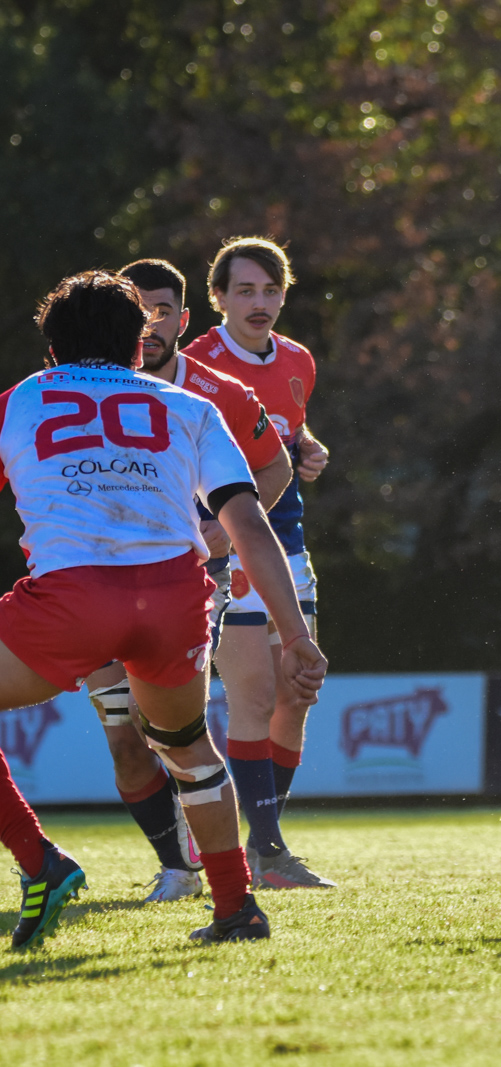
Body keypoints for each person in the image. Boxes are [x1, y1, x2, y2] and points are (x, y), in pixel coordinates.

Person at [0, 271, 326, 947]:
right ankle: (236, 907)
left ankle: (40, 861)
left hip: (73, 597)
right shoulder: (189, 404)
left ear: (52, 348)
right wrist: (295, 634)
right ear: (136, 344)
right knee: (187, 747)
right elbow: (249, 524)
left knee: (147, 741)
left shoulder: (21, 399)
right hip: (176, 598)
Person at [79, 259, 293, 904]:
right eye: (138, 312)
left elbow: (276, 467)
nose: (149, 325)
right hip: (92, 582)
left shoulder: (217, 393)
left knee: (172, 729)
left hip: (191, 584)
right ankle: (177, 868)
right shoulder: (79, 391)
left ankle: (237, 869)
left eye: (162, 311)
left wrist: (222, 530)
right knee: (124, 739)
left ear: (183, 318)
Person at [184, 237, 334, 890]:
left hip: (288, 540)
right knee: (254, 694)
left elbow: (287, 434)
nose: (260, 302)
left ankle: (260, 837)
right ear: (217, 297)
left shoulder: (298, 360)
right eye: (245, 290)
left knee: (298, 690)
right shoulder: (195, 365)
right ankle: (267, 852)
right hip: (226, 546)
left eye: (271, 290)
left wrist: (308, 449)